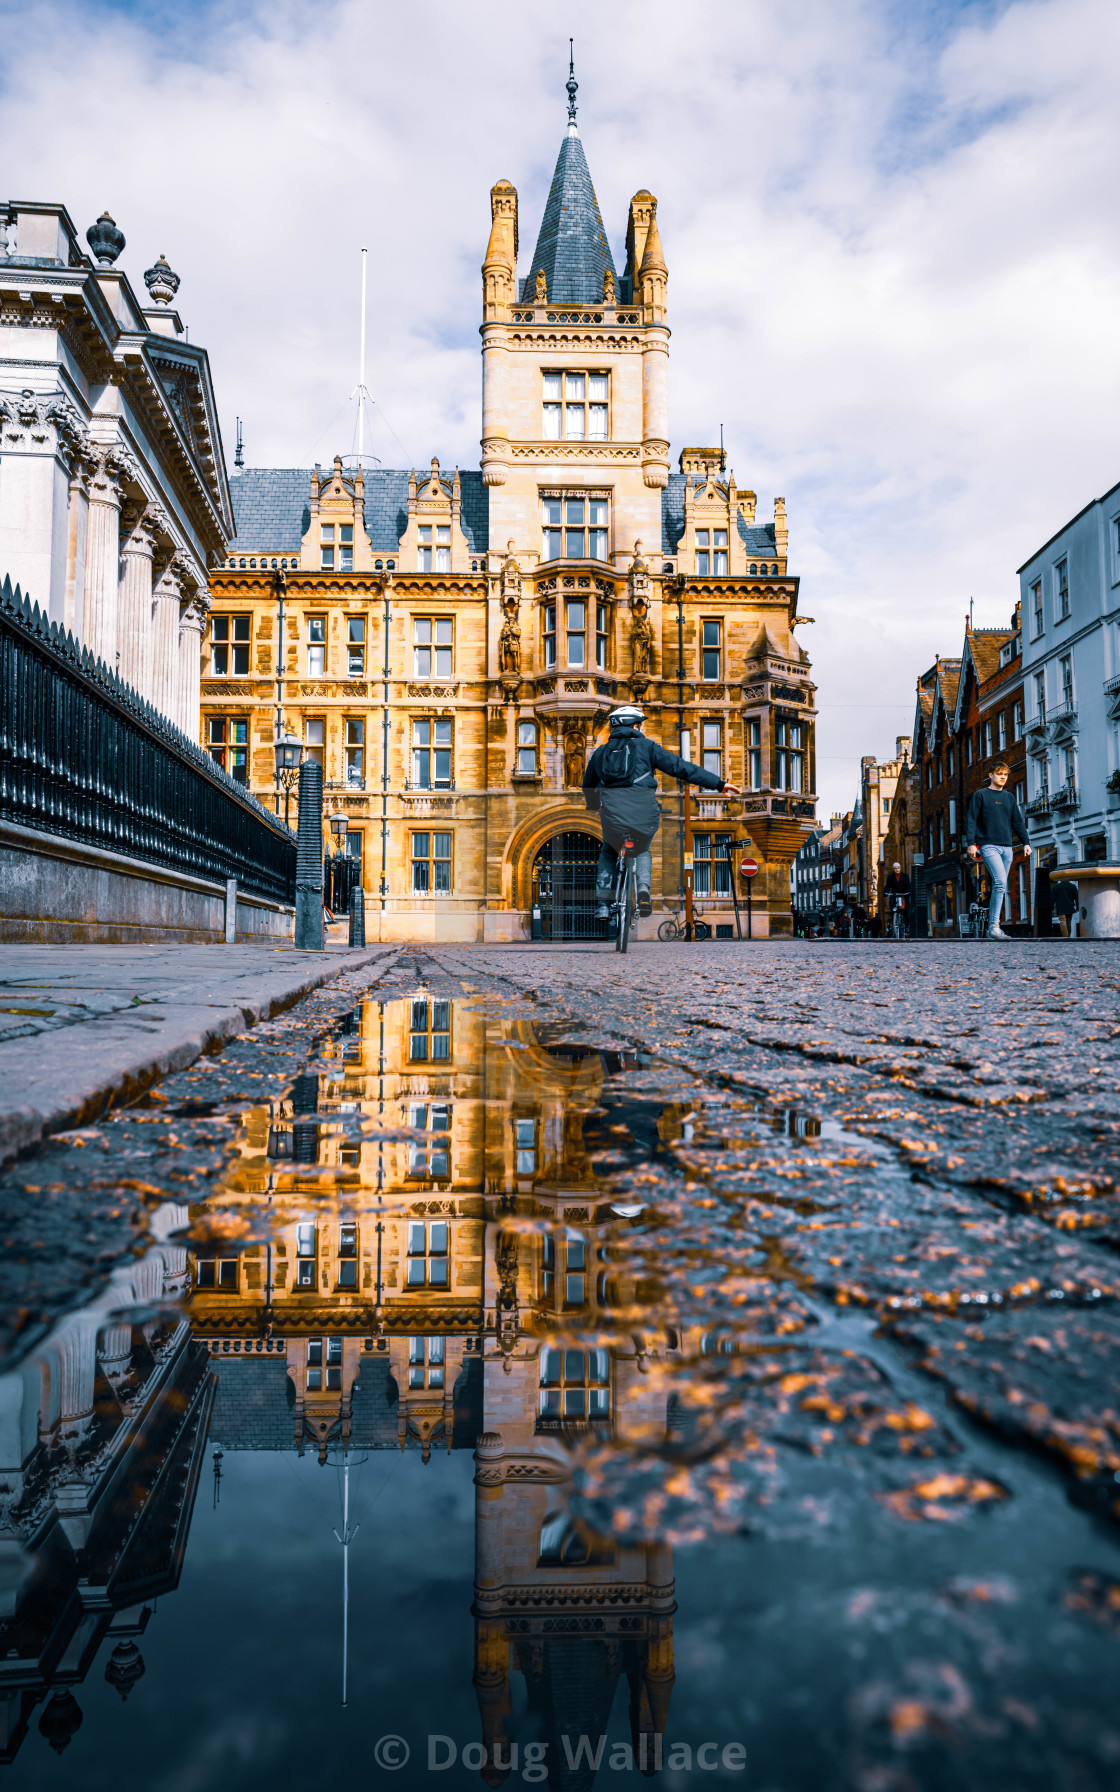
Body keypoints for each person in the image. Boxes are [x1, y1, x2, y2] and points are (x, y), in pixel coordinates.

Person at [583, 706, 739, 919]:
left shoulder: (600, 752)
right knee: (642, 849)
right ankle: (643, 890)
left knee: (609, 851)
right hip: (645, 812)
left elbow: (588, 784)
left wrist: (594, 805)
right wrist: (719, 784)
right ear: (637, 725)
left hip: (613, 814)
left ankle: (602, 904)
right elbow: (680, 766)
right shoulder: (647, 747)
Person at [964, 759, 1030, 941]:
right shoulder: (981, 795)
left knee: (1000, 886)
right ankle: (994, 927)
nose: (1003, 777)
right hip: (988, 846)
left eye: (1005, 775)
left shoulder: (1009, 797)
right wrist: (971, 843)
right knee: (1000, 883)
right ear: (991, 776)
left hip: (1007, 847)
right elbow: (971, 819)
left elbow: (1017, 821)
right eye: (999, 774)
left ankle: (992, 928)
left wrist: (1026, 842)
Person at [883, 861, 910, 935]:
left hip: (903, 894)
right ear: (893, 869)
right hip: (895, 893)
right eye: (895, 868)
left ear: (900, 868)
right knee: (891, 904)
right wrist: (885, 892)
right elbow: (888, 886)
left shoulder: (905, 876)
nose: (897, 869)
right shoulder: (890, 877)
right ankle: (894, 918)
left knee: (906, 909)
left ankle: (907, 925)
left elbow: (908, 885)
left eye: (898, 868)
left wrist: (909, 891)